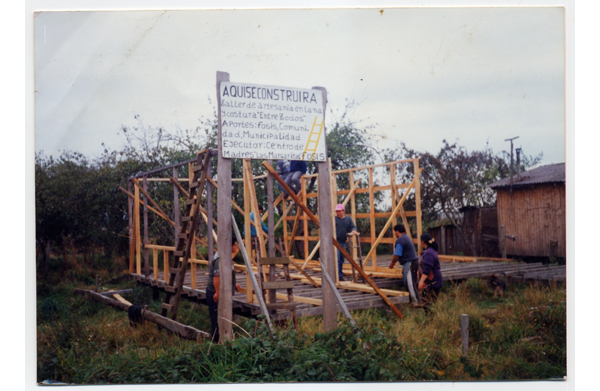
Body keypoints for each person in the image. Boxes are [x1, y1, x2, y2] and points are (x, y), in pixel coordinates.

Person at [205, 238, 242, 343]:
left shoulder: (227, 257)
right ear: (228, 246)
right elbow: (217, 278)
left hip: (222, 291)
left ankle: (224, 340)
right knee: (216, 319)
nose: (236, 247)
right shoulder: (219, 259)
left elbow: (227, 273)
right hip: (214, 292)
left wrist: (233, 284)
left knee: (223, 317)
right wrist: (217, 293)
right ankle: (216, 343)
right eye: (234, 245)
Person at [388, 224, 419, 302]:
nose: (395, 234)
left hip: (410, 263)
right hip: (414, 262)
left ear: (397, 231)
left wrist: (392, 264)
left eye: (395, 232)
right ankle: (413, 302)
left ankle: (416, 302)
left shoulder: (400, 240)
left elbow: (397, 255)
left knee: (410, 284)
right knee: (412, 283)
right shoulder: (406, 238)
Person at [417, 234, 443, 313]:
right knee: (428, 303)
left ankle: (431, 320)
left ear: (422, 242)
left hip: (433, 282)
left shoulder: (429, 253)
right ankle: (431, 320)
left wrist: (421, 281)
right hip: (431, 281)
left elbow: (427, 269)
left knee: (428, 304)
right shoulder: (428, 251)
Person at [334, 204, 359, 281]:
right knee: (336, 259)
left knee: (341, 259)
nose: (338, 213)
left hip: (343, 242)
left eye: (339, 211)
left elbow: (352, 226)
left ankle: (340, 276)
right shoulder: (334, 219)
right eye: (337, 211)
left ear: (343, 211)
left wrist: (353, 231)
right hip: (335, 242)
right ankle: (336, 276)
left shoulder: (348, 219)